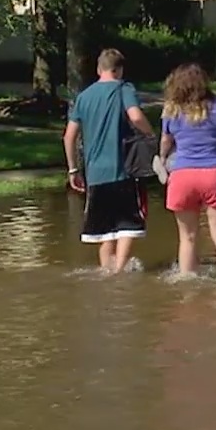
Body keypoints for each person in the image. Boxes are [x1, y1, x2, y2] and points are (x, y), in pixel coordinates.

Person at [63, 48, 156, 273]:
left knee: (104, 231)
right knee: (127, 226)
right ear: (120, 70)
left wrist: (73, 169)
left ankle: (107, 270)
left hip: (95, 173)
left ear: (99, 69)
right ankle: (119, 271)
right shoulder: (124, 89)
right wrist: (151, 135)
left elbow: (69, 136)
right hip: (124, 169)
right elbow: (135, 115)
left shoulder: (83, 97)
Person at [159, 62, 216, 284]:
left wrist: (162, 160)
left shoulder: (171, 111)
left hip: (182, 176)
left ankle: (187, 285)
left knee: (187, 238)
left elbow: (165, 143)